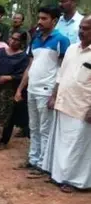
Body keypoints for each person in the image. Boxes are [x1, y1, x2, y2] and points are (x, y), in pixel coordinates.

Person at [14, 6, 70, 176]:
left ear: (54, 21)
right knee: (33, 126)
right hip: (32, 88)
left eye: (44, 18)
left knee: (45, 128)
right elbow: (30, 66)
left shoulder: (61, 40)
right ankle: (33, 159)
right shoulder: (36, 39)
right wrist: (20, 88)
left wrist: (55, 93)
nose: (39, 21)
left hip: (47, 90)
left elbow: (63, 69)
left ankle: (44, 165)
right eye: (39, 18)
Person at [44, 15, 91, 193]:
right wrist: (53, 96)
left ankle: (75, 180)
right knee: (62, 142)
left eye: (86, 28)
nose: (81, 31)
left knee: (78, 145)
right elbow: (61, 75)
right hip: (64, 102)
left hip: (83, 107)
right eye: (81, 27)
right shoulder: (72, 49)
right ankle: (59, 175)